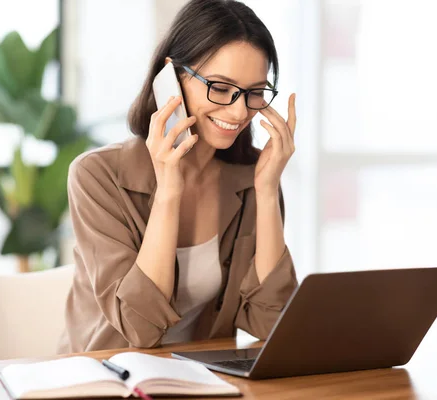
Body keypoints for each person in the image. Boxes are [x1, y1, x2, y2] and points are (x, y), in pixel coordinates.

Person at [58, 0, 298, 353]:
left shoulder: (254, 179)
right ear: (170, 77)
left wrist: (265, 192)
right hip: (108, 378)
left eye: (255, 92)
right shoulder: (97, 176)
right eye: (220, 87)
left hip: (204, 380)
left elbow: (270, 321)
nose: (239, 110)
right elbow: (140, 329)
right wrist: (169, 190)